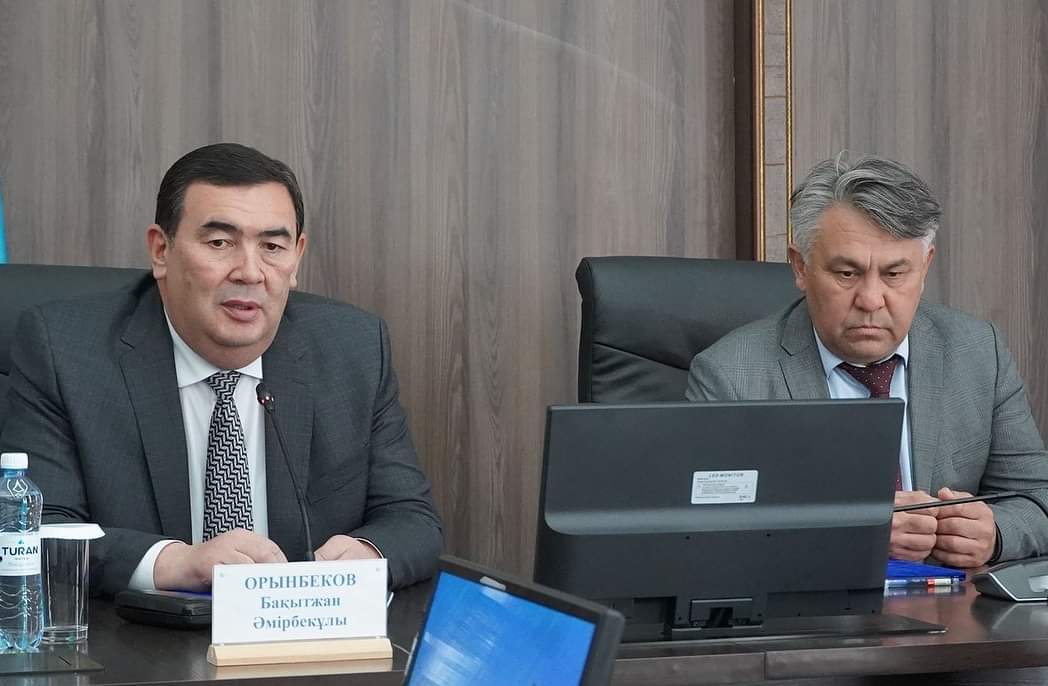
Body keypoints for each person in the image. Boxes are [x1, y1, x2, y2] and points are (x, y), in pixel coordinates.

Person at [0, 143, 442, 596]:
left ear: (296, 258)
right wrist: (175, 563)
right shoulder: (65, 351)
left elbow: (411, 519)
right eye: (220, 243)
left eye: (272, 247)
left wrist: (366, 555)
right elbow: (33, 529)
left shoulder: (353, 350)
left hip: (298, 630)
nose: (250, 272)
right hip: (139, 635)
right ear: (161, 250)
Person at [686, 153, 1048, 568]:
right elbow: (708, 531)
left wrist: (996, 533)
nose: (872, 300)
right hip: (816, 606)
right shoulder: (731, 375)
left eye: (894, 274)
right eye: (847, 274)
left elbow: (1037, 498)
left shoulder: (978, 351)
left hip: (955, 604)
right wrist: (853, 536)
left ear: (925, 267)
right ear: (801, 267)